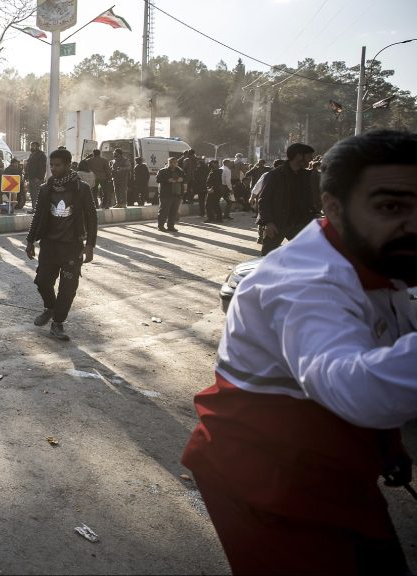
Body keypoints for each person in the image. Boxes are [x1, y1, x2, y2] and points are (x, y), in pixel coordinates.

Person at [181, 129, 417, 575]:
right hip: (268, 481)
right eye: (391, 207)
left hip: (334, 462)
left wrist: (386, 445)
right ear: (335, 206)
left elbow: (377, 345)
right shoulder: (306, 285)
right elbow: (354, 385)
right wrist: (270, 225)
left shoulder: (378, 257)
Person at [24, 148, 97, 342]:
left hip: (72, 246)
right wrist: (30, 240)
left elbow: (92, 217)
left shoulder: (81, 189)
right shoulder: (46, 189)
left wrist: (90, 245)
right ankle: (50, 307)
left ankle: (58, 323)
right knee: (41, 281)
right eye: (52, 165)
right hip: (49, 245)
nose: (54, 169)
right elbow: (38, 215)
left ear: (67, 165)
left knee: (68, 287)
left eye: (57, 165)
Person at [256, 143, 316, 255]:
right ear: (298, 156)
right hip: (277, 224)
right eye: (309, 156)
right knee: (268, 258)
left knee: (307, 255)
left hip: (299, 224)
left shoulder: (306, 175)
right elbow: (264, 200)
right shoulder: (275, 175)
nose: (311, 160)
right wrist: (268, 223)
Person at [156, 157, 185, 233]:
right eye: (171, 162)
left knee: (173, 212)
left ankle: (171, 226)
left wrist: (181, 179)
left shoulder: (180, 171)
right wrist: (167, 180)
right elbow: (158, 179)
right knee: (163, 211)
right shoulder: (163, 171)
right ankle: (161, 226)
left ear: (177, 163)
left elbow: (185, 179)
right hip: (166, 195)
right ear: (168, 163)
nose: (173, 164)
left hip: (177, 194)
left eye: (174, 162)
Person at [26, 141, 47, 211]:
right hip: (31, 178)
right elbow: (28, 166)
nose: (32, 147)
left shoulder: (41, 155)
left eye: (34, 146)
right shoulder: (31, 155)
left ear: (38, 147)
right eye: (31, 146)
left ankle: (37, 209)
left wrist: (39, 177)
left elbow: (42, 168)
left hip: (37, 179)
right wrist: (27, 177)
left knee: (36, 194)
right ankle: (34, 208)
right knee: (32, 194)